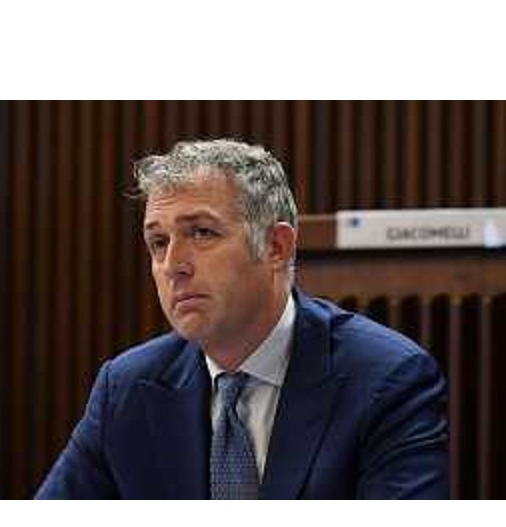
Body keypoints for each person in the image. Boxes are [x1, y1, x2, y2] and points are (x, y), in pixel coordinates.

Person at [35, 139, 449, 499]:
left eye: (201, 233)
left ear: (276, 247)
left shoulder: (386, 379)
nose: (173, 265)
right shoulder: (127, 389)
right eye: (158, 242)